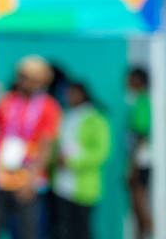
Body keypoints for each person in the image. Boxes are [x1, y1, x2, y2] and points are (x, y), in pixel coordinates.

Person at [0, 57, 61, 239]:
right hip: (1, 178)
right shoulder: (6, 102)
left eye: (30, 77)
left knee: (28, 232)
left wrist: (31, 179)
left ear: (41, 81)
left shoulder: (49, 107)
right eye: (22, 76)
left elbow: (46, 146)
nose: (24, 81)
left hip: (29, 181)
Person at [50, 82, 109, 239]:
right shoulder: (66, 116)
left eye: (73, 93)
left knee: (82, 230)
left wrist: (72, 161)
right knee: (65, 230)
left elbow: (100, 152)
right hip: (62, 184)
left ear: (83, 94)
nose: (69, 97)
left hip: (84, 186)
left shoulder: (96, 119)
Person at [123, 68, 153, 239]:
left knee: (140, 205)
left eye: (131, 79)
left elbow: (140, 134)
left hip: (141, 160)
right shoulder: (137, 101)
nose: (127, 83)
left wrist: (132, 164)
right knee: (136, 206)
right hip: (137, 159)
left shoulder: (142, 101)